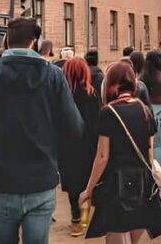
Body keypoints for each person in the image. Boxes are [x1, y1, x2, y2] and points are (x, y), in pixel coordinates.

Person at [0, 17, 83, 244]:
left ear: (7, 41)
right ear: (34, 42)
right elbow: (75, 127)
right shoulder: (53, 75)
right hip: (41, 178)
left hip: (1, 179)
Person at [79, 62, 157, 244]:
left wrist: (88, 190)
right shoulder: (145, 110)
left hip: (116, 184)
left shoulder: (108, 112)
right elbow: (150, 153)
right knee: (138, 233)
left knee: (117, 235)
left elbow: (102, 157)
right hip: (141, 182)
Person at [58, 57, 101, 237]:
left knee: (72, 183)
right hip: (89, 145)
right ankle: (86, 217)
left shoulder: (62, 95)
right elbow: (98, 121)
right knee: (88, 181)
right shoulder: (91, 93)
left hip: (67, 146)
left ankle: (76, 219)